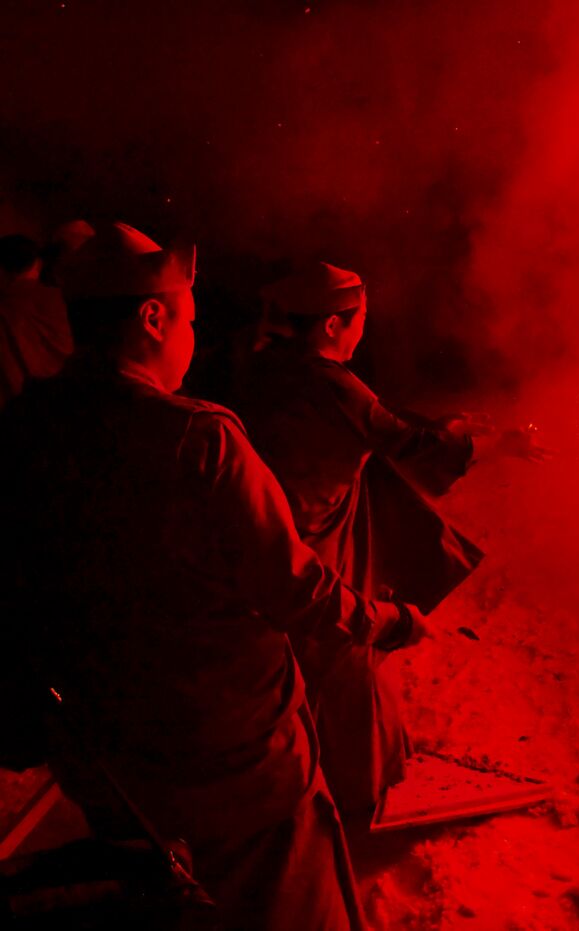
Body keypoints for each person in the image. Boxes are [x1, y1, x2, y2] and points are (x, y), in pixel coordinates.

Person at [0, 223, 428, 929]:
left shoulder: (26, 424)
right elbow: (296, 590)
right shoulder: (200, 439)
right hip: (231, 760)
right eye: (190, 320)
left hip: (105, 756)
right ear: (153, 317)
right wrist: (390, 621)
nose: (193, 337)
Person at [233, 261, 548, 824]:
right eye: (358, 323)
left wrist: (446, 425)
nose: (361, 333)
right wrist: (495, 446)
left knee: (300, 654)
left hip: (271, 520)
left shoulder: (271, 366)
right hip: (314, 532)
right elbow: (401, 442)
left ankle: (316, 766)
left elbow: (373, 421)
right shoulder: (331, 383)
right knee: (346, 653)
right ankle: (358, 789)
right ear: (332, 325)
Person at [0, 232, 74, 406]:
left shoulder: (6, 306)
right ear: (38, 264)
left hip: (20, 411)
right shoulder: (61, 298)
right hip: (67, 400)